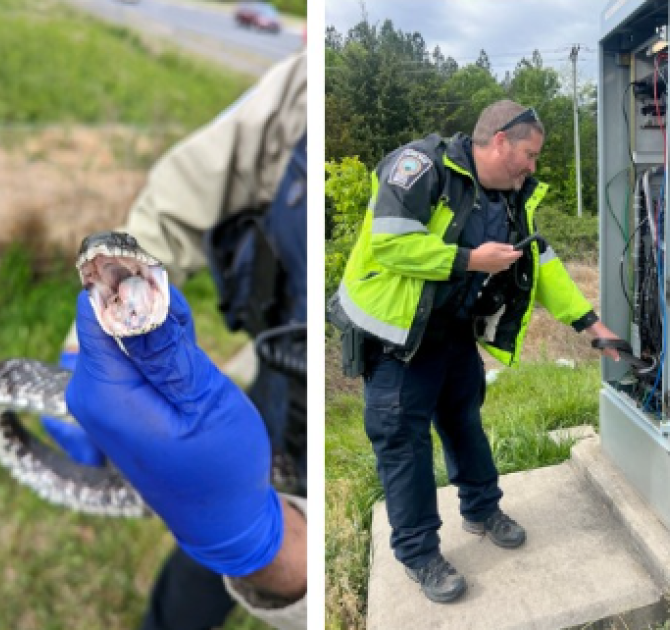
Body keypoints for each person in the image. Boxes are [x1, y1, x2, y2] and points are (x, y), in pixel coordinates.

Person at [49, 50, 307, 628]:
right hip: (277, 392)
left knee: (239, 534)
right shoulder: (301, 86)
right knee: (195, 572)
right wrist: (76, 346)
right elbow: (174, 203)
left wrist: (264, 548)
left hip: (332, 411)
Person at [328, 100, 622, 603]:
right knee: (404, 446)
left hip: (452, 333)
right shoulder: (419, 167)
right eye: (529, 154)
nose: (533, 166)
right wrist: (469, 259)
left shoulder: (510, 197)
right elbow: (389, 243)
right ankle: (420, 555)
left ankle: (482, 510)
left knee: (465, 422)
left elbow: (540, 263)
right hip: (397, 340)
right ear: (501, 140)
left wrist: (592, 325)